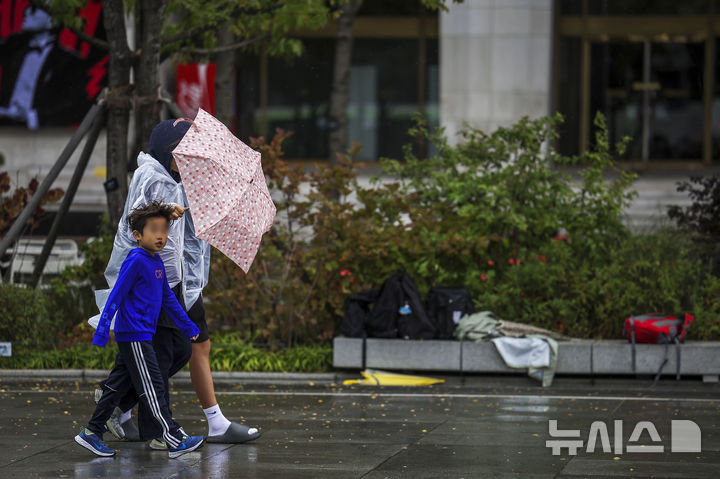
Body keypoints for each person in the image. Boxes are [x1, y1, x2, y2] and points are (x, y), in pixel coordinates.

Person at [93, 118, 260, 445]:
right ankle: (158, 431)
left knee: (181, 349)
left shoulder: (175, 178)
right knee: (166, 353)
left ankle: (116, 402)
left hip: (181, 280)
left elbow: (187, 238)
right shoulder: (155, 180)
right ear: (168, 152)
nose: (189, 159)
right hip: (158, 281)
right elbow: (147, 227)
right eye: (183, 153)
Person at [75, 202, 203, 458]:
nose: (161, 236)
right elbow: (116, 296)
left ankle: (91, 431)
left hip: (141, 334)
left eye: (165, 230)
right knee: (153, 385)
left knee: (115, 387)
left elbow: (167, 297)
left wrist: (188, 325)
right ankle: (172, 437)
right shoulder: (135, 260)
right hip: (134, 335)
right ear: (137, 235)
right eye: (154, 230)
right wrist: (102, 331)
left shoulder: (155, 262)